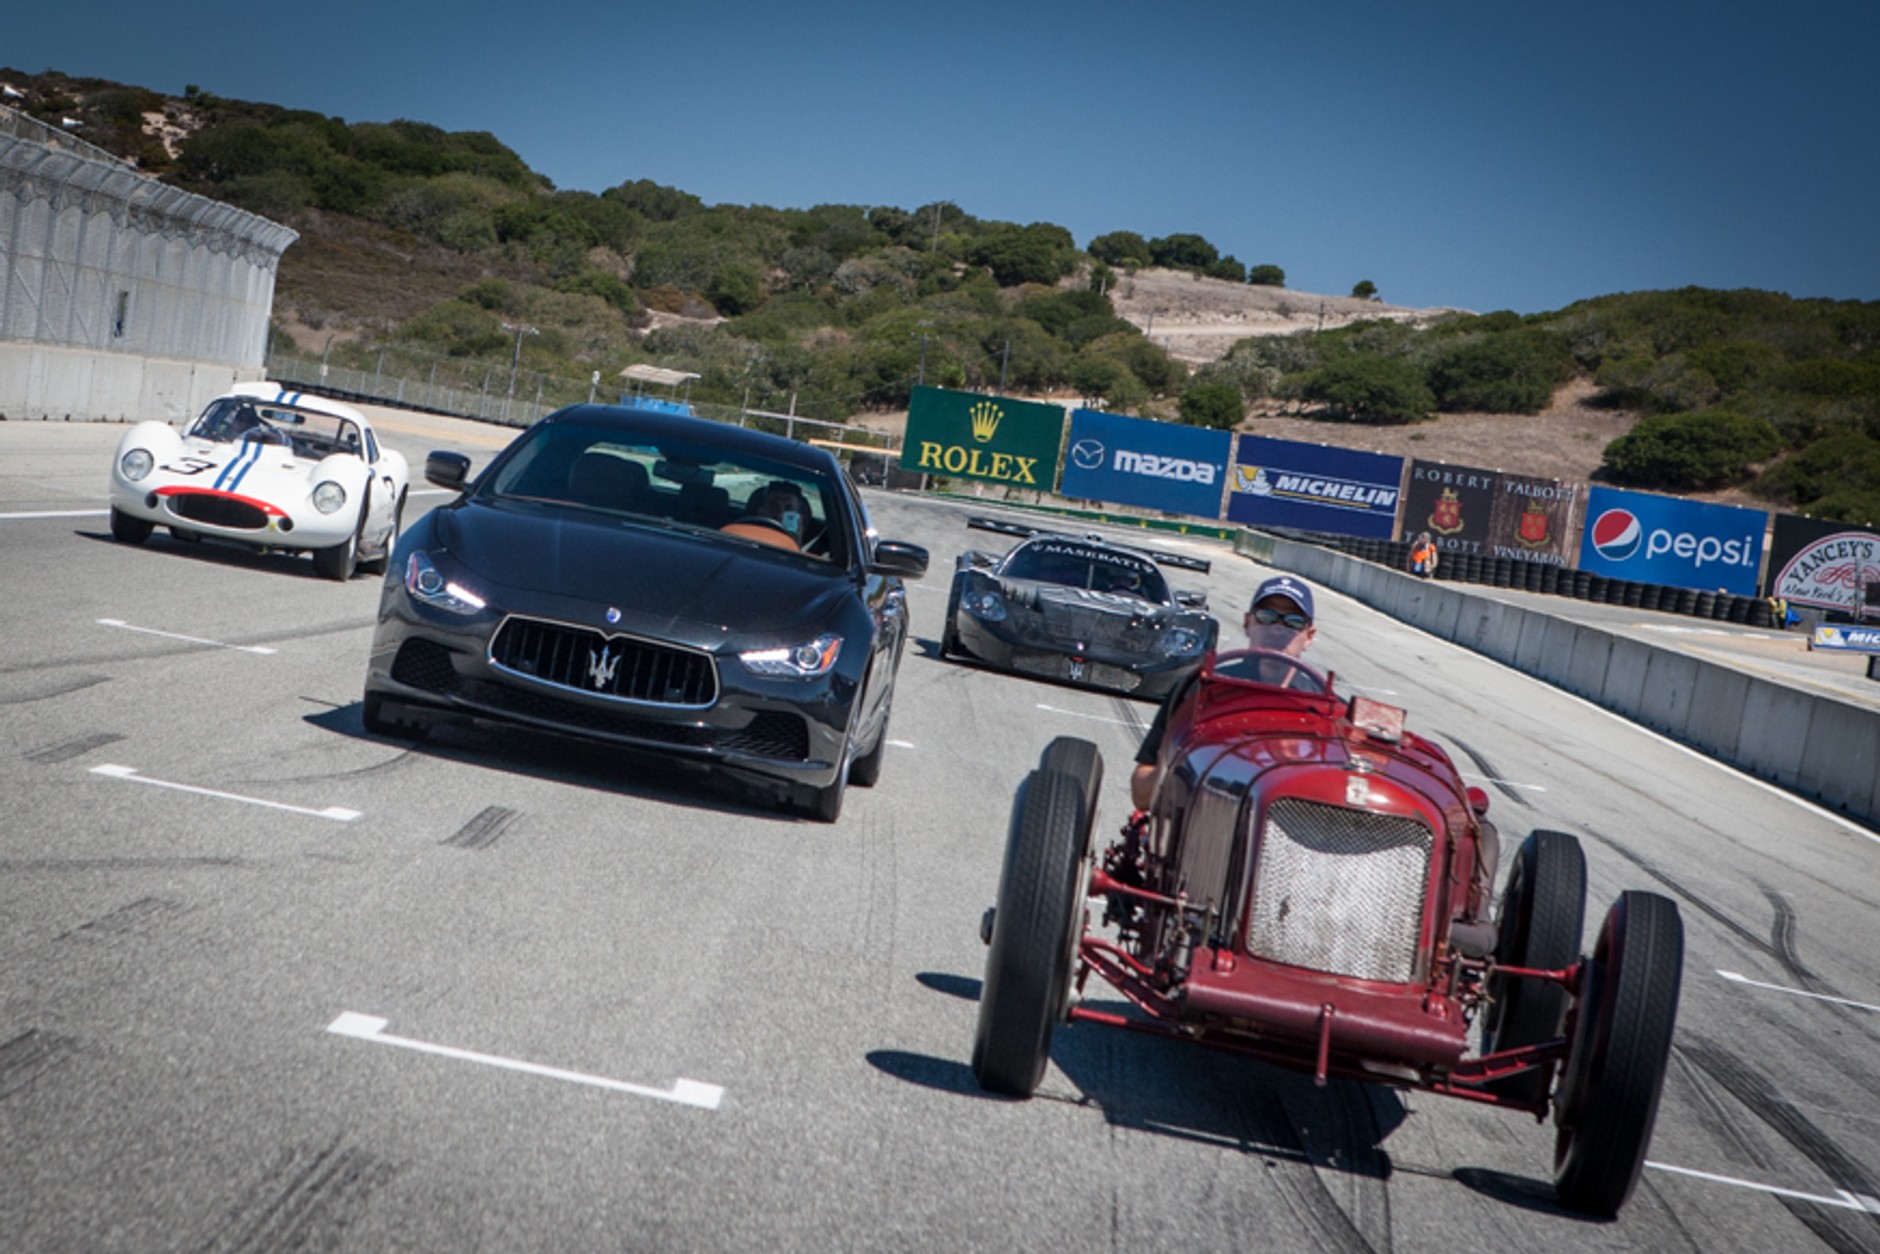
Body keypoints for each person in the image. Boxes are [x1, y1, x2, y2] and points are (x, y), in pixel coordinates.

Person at [1129, 574, 1318, 809]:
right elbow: (1141, 790)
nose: (1277, 629)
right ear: (1248, 623)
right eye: (1266, 617)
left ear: (1309, 636)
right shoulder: (1200, 689)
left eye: (1293, 622)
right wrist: (1180, 770)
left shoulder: (1323, 708)